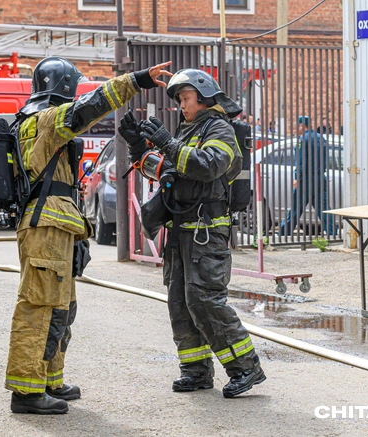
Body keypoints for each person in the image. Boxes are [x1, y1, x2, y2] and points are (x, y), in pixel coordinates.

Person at [5, 56, 172, 415]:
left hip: (56, 227)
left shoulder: (31, 122)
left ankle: (49, 380)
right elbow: (90, 106)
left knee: (61, 308)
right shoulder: (47, 120)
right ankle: (26, 392)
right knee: (39, 307)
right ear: (63, 88)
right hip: (45, 227)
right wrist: (138, 79)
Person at [119, 69, 266, 398]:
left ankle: (246, 367)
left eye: (185, 98)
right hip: (180, 232)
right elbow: (165, 171)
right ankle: (196, 371)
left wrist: (167, 142)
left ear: (203, 96)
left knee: (205, 301)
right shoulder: (186, 132)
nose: (181, 105)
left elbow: (208, 166)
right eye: (179, 100)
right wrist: (137, 145)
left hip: (206, 232)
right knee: (180, 303)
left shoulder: (219, 129)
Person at [279, 116, 334, 237]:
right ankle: (332, 232)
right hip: (320, 178)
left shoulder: (303, 139)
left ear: (302, 126)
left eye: (297, 126)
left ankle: (283, 233)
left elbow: (301, 161)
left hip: (306, 179)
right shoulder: (321, 138)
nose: (296, 129)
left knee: (295, 208)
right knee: (323, 209)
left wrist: (297, 177)